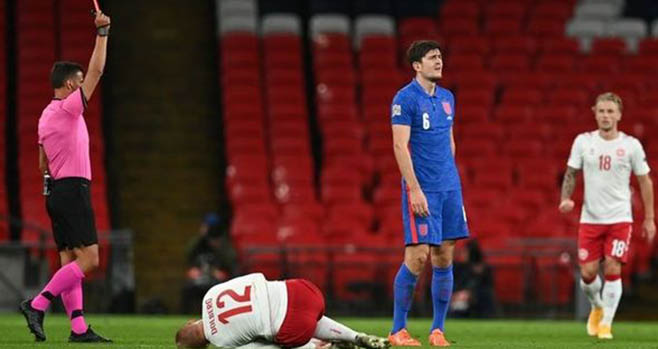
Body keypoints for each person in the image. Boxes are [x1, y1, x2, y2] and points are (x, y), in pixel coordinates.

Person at [19, 11, 112, 343]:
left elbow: (41, 163)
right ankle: (37, 304)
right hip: (73, 189)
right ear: (72, 84)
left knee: (70, 261)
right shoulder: (69, 108)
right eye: (80, 79)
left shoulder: (45, 116)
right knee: (90, 259)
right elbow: (99, 70)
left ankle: (78, 329)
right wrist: (103, 32)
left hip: (55, 191)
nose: (84, 82)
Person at [388, 40, 469, 347]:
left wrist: (451, 179)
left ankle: (438, 330)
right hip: (422, 190)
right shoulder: (404, 99)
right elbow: (399, 146)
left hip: (450, 188)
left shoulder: (448, 98)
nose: (439, 61)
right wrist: (414, 189)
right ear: (417, 65)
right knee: (418, 256)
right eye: (432, 57)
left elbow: (450, 141)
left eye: (440, 56)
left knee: (444, 256)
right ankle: (398, 330)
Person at [559, 92, 655, 340]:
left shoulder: (630, 145)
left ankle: (606, 324)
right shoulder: (583, 141)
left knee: (613, 266)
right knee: (588, 273)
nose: (605, 115)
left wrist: (649, 218)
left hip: (620, 218)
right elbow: (571, 172)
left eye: (610, 111)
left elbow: (645, 181)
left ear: (619, 115)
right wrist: (565, 198)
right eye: (601, 111)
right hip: (590, 219)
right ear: (594, 112)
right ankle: (598, 307)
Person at [175, 272, 390, 349]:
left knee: (263, 342)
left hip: (295, 328)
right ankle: (356, 337)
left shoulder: (221, 341)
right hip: (302, 290)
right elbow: (255, 277)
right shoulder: (211, 294)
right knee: (297, 313)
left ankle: (319, 348)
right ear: (190, 322)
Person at [182, 213, 238, 313]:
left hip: (219, 282)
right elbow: (190, 259)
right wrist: (193, 270)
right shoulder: (200, 244)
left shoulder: (225, 246)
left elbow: (232, 268)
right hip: (201, 279)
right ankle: (185, 315)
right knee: (188, 289)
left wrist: (221, 273)